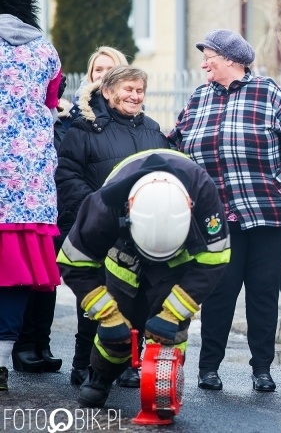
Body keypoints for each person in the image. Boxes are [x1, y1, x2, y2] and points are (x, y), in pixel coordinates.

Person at [169, 29, 281, 393]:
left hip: (269, 216)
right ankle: (208, 368)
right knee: (220, 290)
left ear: (231, 59)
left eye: (209, 56)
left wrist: (277, 191)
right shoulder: (200, 97)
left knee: (263, 291)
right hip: (217, 216)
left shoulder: (269, 93)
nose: (204, 63)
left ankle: (262, 369)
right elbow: (176, 146)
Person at [57, 150, 231, 407]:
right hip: (125, 258)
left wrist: (172, 313)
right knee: (116, 335)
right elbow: (75, 261)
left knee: (168, 333)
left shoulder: (202, 191)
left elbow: (215, 257)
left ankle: (166, 385)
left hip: (177, 264)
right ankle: (100, 377)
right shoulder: (106, 204)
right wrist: (107, 314)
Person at [56, 65, 170, 387]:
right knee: (96, 302)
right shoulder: (85, 130)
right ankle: (84, 363)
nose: (135, 96)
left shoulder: (153, 131)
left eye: (139, 90)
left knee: (137, 301)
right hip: (101, 229)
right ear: (107, 92)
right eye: (128, 89)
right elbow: (67, 176)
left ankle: (132, 362)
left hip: (140, 233)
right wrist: (98, 210)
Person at [0, 0, 62, 392]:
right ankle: (1, 362)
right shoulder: (46, 52)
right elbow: (51, 103)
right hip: (29, 187)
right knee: (15, 274)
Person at [11, 73, 69, 376]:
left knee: (48, 280)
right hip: (31, 208)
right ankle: (23, 345)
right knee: (26, 276)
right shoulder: (21, 118)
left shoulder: (66, 122)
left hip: (55, 208)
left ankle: (42, 344)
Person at [69, 46, 129, 120]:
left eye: (111, 70)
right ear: (91, 75)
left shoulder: (135, 112)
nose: (104, 75)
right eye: (98, 70)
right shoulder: (76, 113)